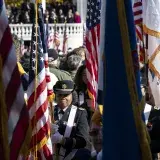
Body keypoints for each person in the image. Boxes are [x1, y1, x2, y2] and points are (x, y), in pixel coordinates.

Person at [51, 80, 91, 160]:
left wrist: (63, 140)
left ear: (72, 95)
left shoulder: (79, 113)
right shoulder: (49, 112)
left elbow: (83, 141)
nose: (63, 97)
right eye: (59, 95)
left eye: (66, 95)